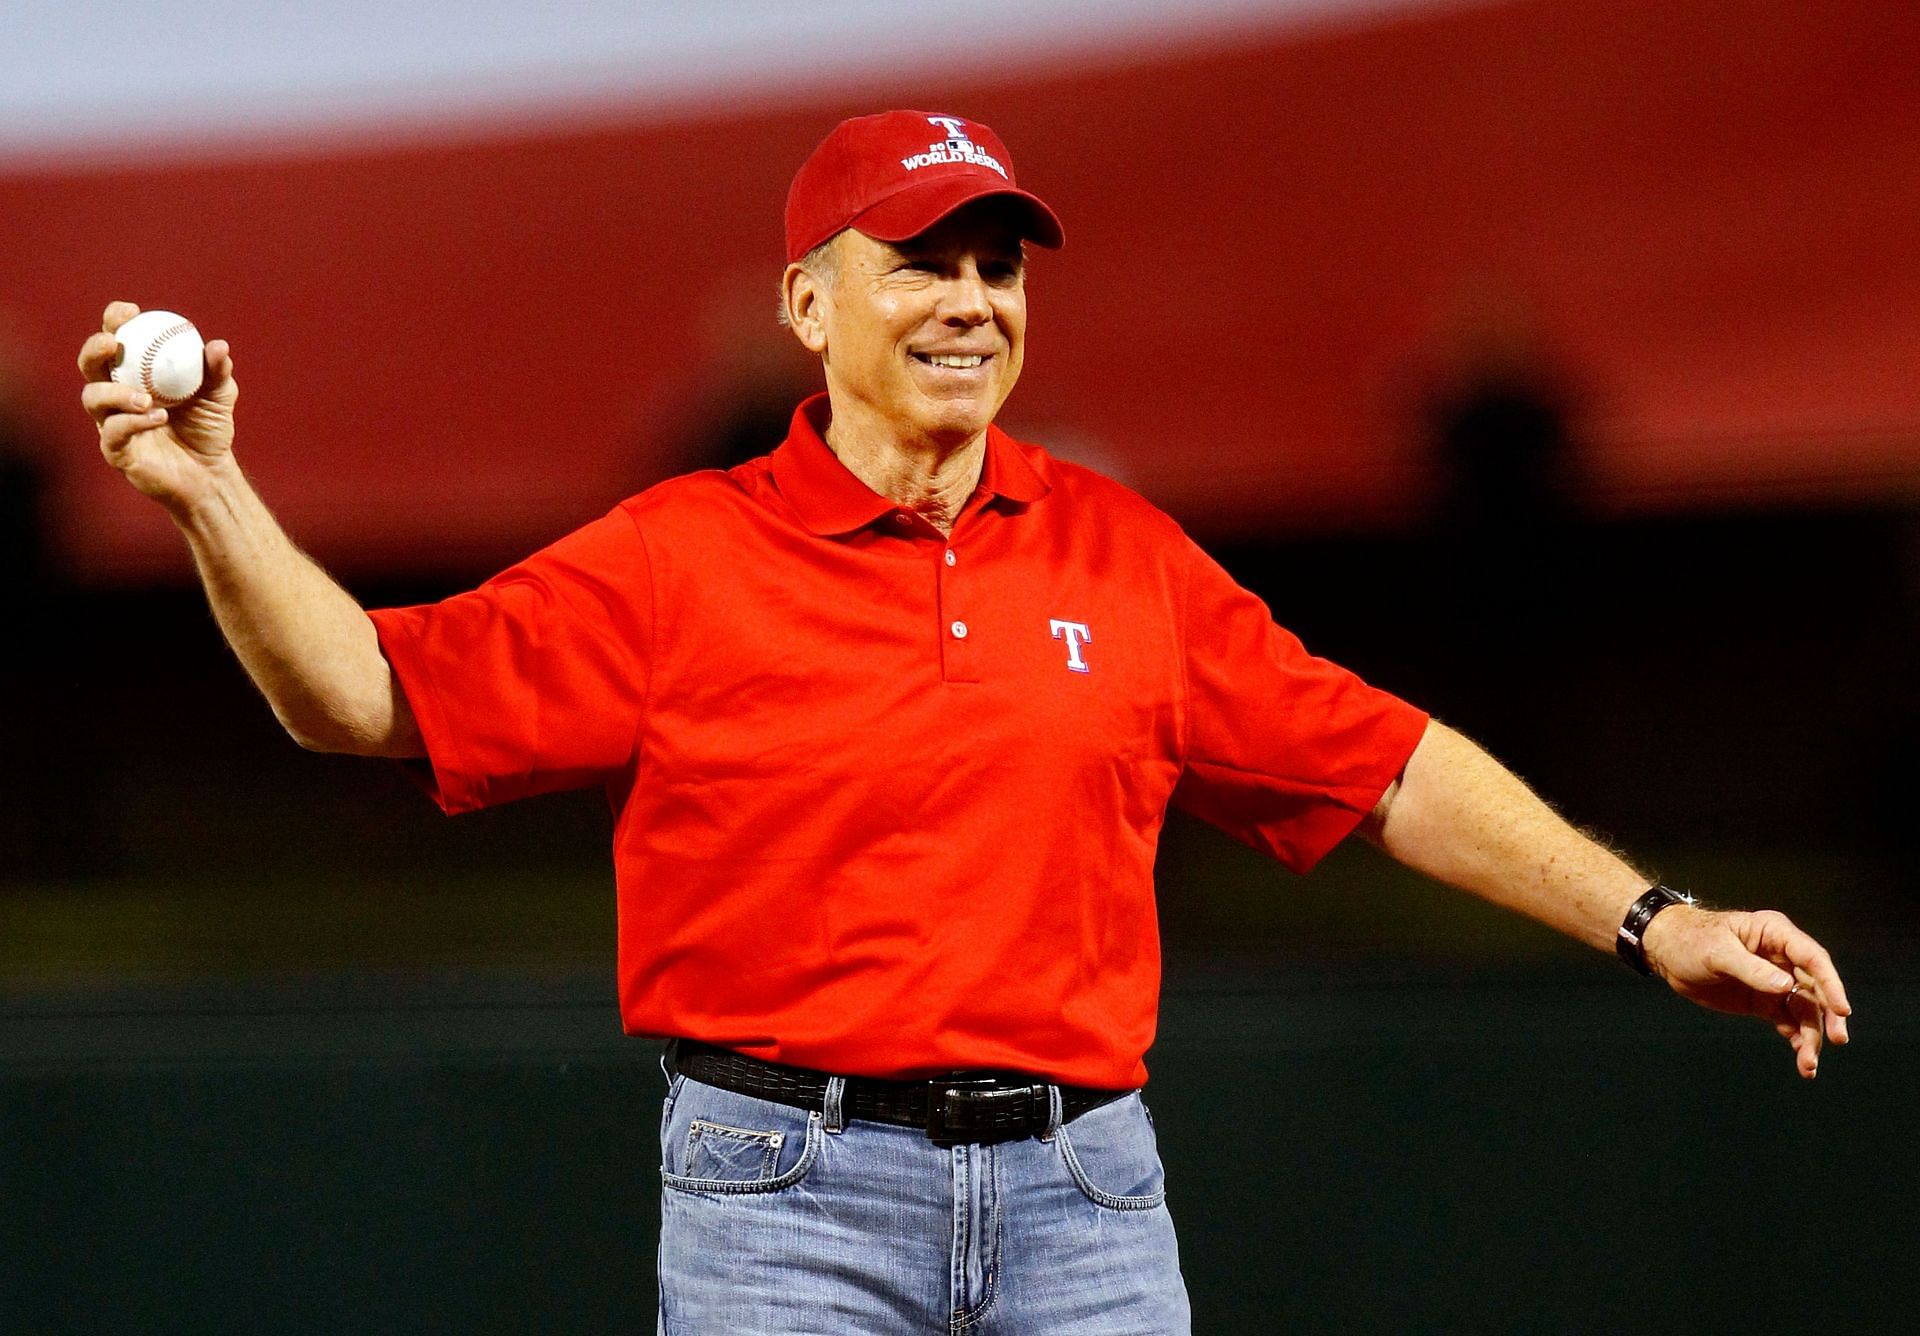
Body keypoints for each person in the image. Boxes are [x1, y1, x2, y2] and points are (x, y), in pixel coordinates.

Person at [78, 110, 1851, 1334]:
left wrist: (1652, 920)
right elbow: (366, 698)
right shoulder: (686, 557)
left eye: (999, 263)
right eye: (921, 260)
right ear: (806, 307)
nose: (971, 300)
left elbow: (1380, 765)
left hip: (1088, 1195)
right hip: (788, 1195)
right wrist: (214, 496)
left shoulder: (1120, 554)